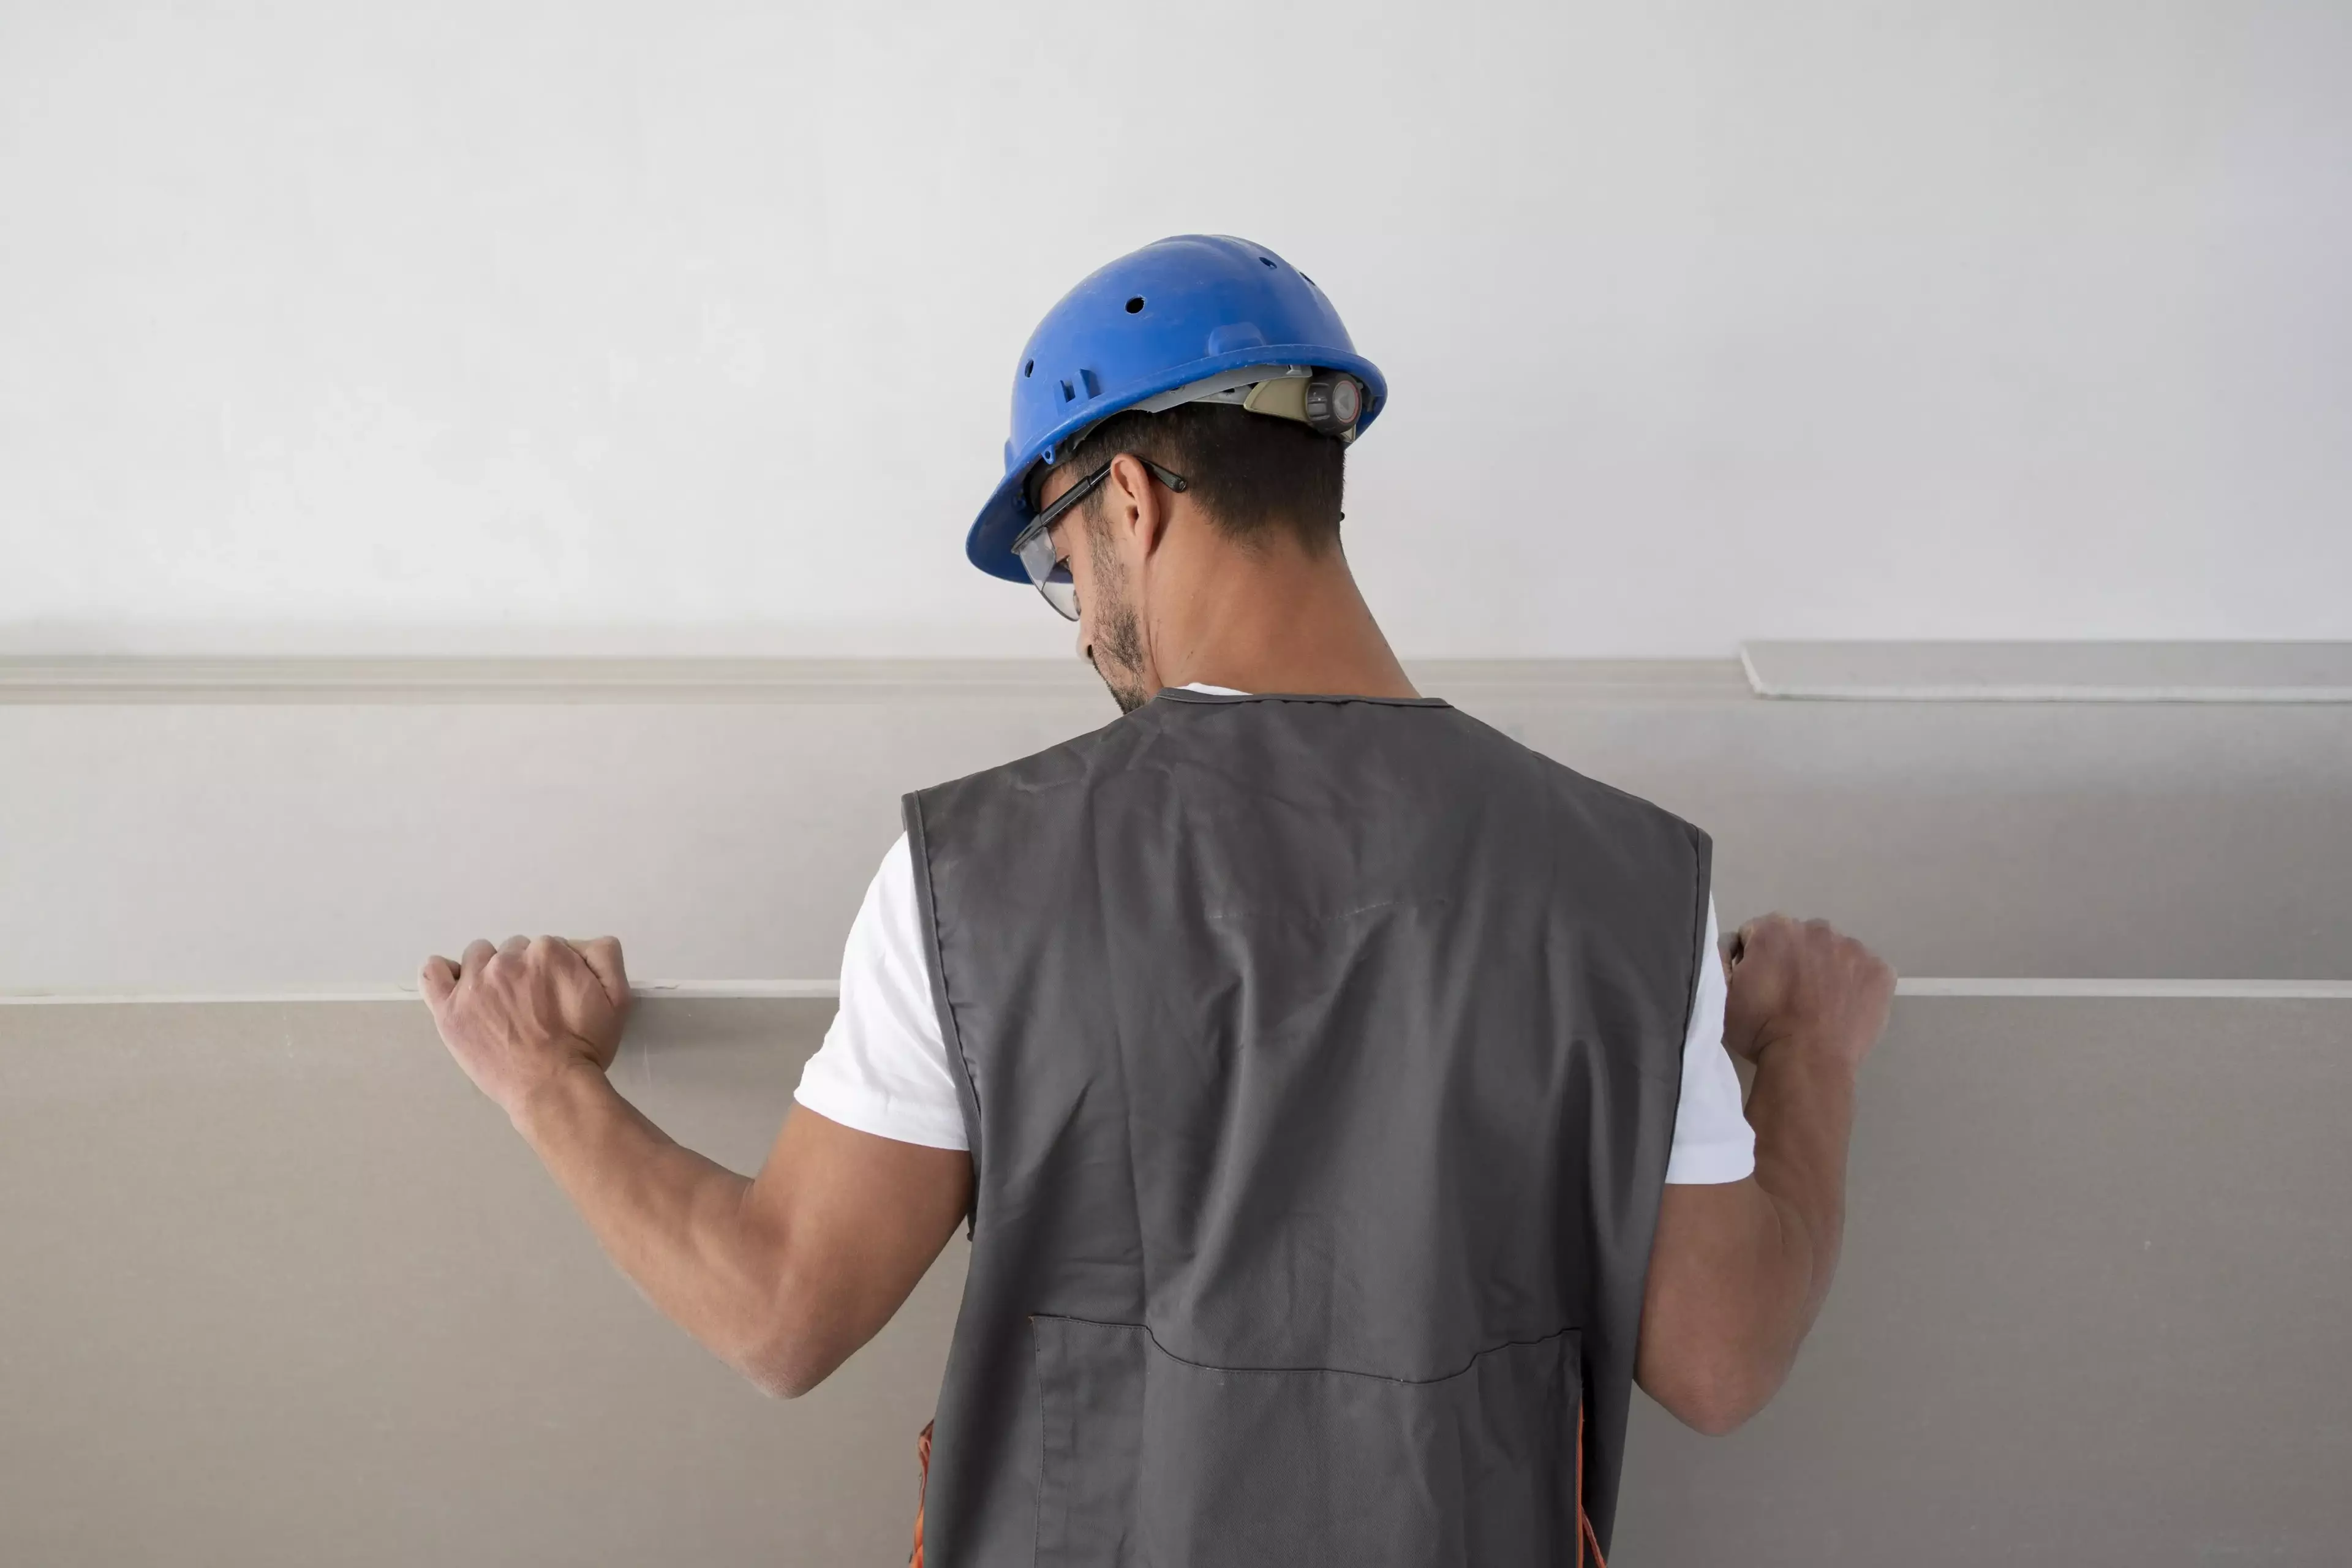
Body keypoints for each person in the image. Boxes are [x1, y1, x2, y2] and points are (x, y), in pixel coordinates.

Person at [421, 235, 1894, 1566]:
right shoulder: (1622, 881)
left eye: (1065, 565)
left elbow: (779, 1307)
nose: (1083, 630)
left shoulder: (975, 876)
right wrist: (1810, 1054)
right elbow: (1720, 1354)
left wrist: (541, 1075)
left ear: (1128, 499)